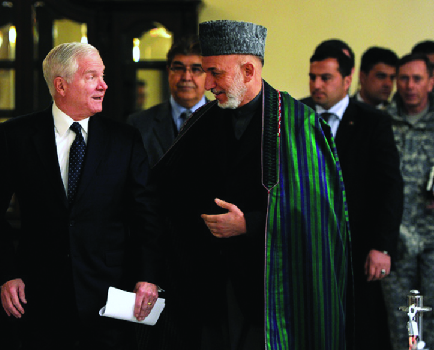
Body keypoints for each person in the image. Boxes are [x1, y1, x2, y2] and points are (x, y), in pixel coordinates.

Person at [153, 20, 350, 350]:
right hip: (210, 292)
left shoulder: (298, 125)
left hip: (273, 296)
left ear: (247, 71)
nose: (206, 85)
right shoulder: (204, 121)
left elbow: (319, 220)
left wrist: (250, 224)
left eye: (215, 73)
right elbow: (166, 192)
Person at [0, 42, 163, 350]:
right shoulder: (15, 136)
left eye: (102, 76)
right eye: (92, 76)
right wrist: (6, 274)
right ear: (61, 85)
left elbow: (147, 215)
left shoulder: (125, 139)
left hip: (110, 299)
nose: (104, 85)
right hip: (38, 298)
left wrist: (148, 277)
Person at [301, 44, 403, 350]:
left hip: (358, 248)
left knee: (360, 331)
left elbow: (389, 187)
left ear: (348, 80)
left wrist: (382, 246)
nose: (317, 85)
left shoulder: (373, 122)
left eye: (326, 78)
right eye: (312, 77)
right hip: (308, 245)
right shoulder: (296, 115)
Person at [382, 53, 434, 350]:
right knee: (403, 320)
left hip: (432, 236)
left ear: (431, 82)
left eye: (417, 78)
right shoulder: (382, 121)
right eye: (404, 78)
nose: (409, 85)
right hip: (397, 237)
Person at [127, 35, 209, 167]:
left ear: (208, 75)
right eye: (178, 68)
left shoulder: (227, 120)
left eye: (196, 69)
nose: (186, 77)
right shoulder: (139, 124)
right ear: (168, 72)